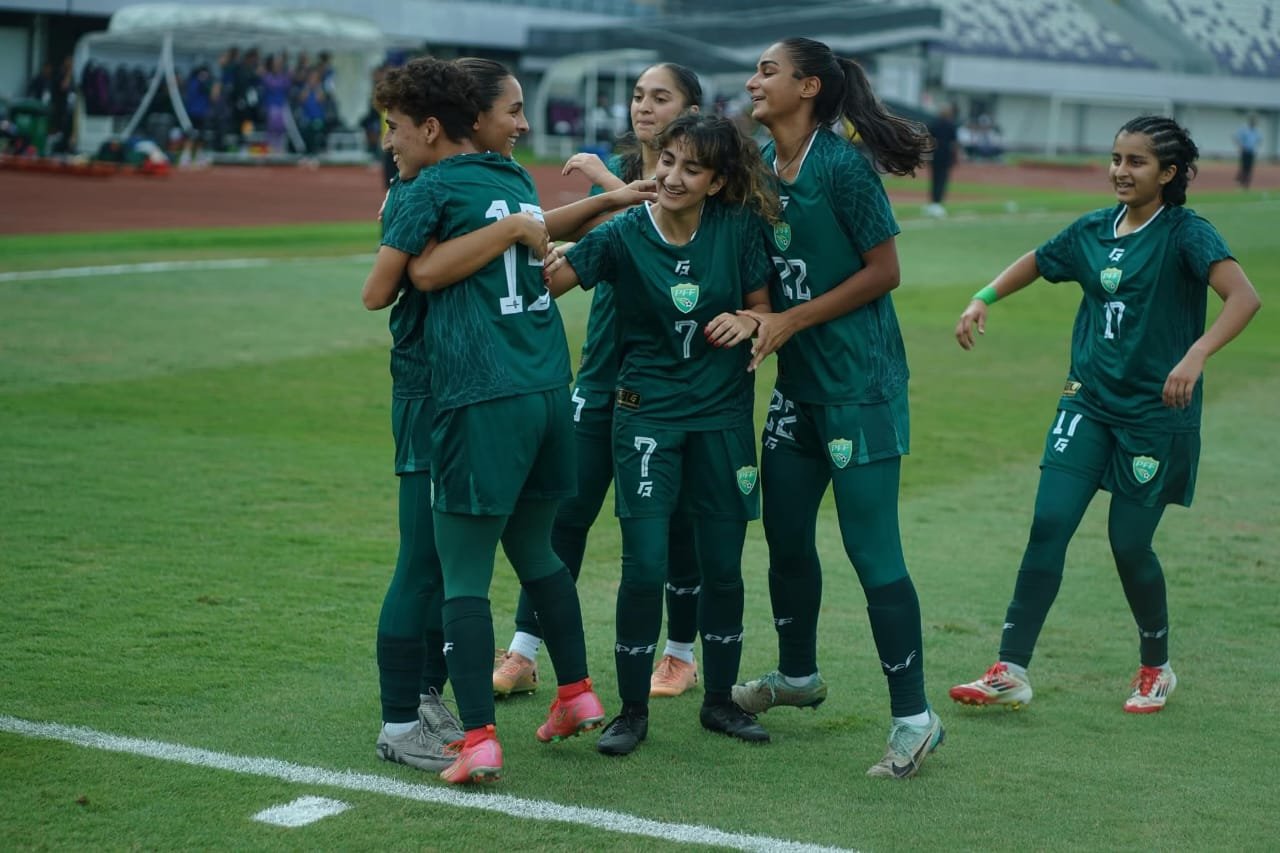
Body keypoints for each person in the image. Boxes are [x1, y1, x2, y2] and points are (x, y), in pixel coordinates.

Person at [387, 57, 655, 785]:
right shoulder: (510, 183)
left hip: (481, 395)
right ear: (478, 119)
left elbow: (412, 276)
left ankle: (475, 737)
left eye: (395, 128)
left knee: (462, 576)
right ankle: (575, 690)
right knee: (538, 552)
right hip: (548, 389)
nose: (525, 122)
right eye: (514, 109)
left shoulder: (436, 185)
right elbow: (529, 226)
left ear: (441, 124)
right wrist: (607, 201)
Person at [950, 115, 1261, 715]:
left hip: (1155, 414)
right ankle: (1009, 668)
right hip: (1087, 402)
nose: (1121, 170)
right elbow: (1041, 259)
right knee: (1049, 524)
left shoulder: (1186, 233)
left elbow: (1244, 298)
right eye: (1116, 158)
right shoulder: (1094, 229)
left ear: (1168, 174)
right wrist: (982, 298)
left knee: (1128, 544)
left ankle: (1156, 667)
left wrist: (1196, 353)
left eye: (1137, 162)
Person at [732, 37, 943, 779]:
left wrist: (792, 320)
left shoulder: (843, 166)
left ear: (809, 86)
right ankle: (797, 675)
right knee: (785, 534)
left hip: (860, 387)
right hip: (799, 389)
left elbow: (885, 270)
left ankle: (915, 718)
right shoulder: (760, 164)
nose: (754, 80)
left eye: (768, 71)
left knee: (870, 548)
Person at [542, 113, 780, 755]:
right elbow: (548, 283)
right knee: (644, 566)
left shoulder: (740, 228)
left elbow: (763, 309)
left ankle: (721, 704)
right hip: (644, 416)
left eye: (690, 168)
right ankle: (630, 712)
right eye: (668, 161)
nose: (672, 176)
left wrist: (749, 319)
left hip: (724, 419)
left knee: (722, 568)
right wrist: (518, 237)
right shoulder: (621, 234)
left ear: (718, 179)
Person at [494, 62, 706, 703]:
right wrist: (602, 190)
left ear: (692, 108)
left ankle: (680, 654)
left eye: (660, 96)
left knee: (676, 525)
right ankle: (525, 652)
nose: (643, 106)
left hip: (679, 380)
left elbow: (649, 217)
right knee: (566, 513)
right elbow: (601, 232)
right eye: (639, 96)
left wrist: (604, 181)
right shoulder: (625, 180)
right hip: (602, 369)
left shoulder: (703, 183)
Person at [360, 56, 475, 777]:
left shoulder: (462, 185)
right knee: (422, 559)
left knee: (444, 561)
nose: (387, 141)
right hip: (428, 393)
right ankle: (400, 721)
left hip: (461, 391)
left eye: (394, 128)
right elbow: (380, 292)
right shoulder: (417, 190)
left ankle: (426, 698)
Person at [924, 103, 958, 218]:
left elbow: (928, 140)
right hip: (945, 155)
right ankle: (937, 203)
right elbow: (954, 144)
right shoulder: (951, 125)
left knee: (934, 179)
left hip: (935, 155)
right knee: (942, 180)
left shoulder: (934, 124)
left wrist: (927, 155)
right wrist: (955, 158)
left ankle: (933, 203)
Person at [1234, 115, 1261, 190]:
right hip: (1245, 151)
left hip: (1251, 151)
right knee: (1244, 167)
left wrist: (1255, 147)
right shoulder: (1244, 130)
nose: (1254, 123)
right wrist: (1240, 146)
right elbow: (1237, 137)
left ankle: (1247, 184)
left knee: (1250, 168)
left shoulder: (1256, 131)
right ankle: (1241, 182)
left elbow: (1259, 140)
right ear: (1250, 122)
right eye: (1253, 122)